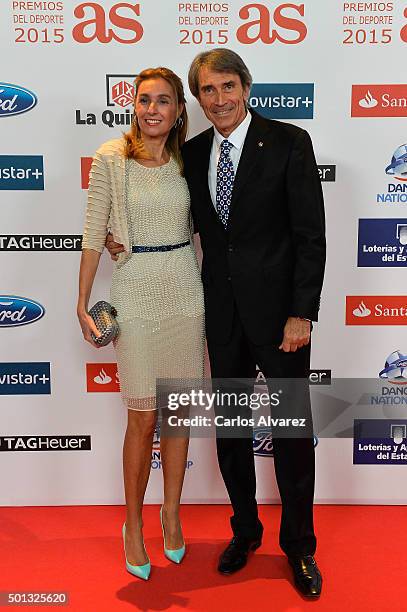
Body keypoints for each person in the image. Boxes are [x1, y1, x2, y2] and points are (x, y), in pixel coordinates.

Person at [107, 48, 325, 598]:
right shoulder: (192, 152)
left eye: (228, 87)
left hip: (282, 321)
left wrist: (302, 311)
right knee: (231, 434)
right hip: (218, 317)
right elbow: (166, 215)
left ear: (245, 88)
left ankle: (299, 547)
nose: (219, 99)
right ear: (197, 101)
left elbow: (310, 238)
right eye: (208, 90)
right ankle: (245, 531)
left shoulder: (289, 143)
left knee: (292, 435)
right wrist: (120, 240)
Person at [77, 67, 205, 581]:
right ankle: (132, 525)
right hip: (135, 291)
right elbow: (92, 233)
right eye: (145, 99)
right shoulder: (113, 158)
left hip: (185, 290)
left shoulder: (190, 160)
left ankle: (170, 513)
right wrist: (81, 302)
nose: (153, 109)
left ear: (179, 111)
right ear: (134, 105)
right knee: (142, 418)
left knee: (178, 413)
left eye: (165, 101)